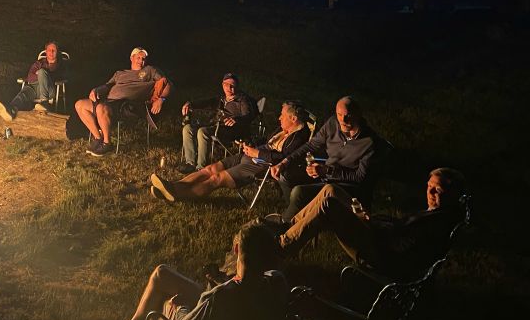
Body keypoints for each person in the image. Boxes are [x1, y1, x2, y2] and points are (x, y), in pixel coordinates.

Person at [89, 222, 286, 320]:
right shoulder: (275, 282)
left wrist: (178, 308)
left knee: (164, 300)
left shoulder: (221, 296)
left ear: (236, 250)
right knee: (161, 274)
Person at [279, 168, 467, 280]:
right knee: (331, 190)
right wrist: (376, 220)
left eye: (438, 190)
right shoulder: (438, 212)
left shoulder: (438, 221)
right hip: (379, 235)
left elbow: (401, 246)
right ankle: (285, 227)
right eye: (429, 186)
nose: (430, 192)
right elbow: (402, 228)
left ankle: (280, 247)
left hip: (380, 254)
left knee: (329, 206)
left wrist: (375, 226)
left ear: (452, 194)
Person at [151, 100, 310, 203]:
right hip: (250, 155)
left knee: (216, 179)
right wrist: (250, 145)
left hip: (262, 165)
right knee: (210, 169)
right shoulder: (282, 130)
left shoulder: (299, 138)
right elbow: (265, 142)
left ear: (294, 119)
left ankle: (177, 196)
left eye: (282, 116)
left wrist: (257, 154)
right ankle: (172, 186)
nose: (279, 119)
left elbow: (284, 158)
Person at [269, 96, 383, 222]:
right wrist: (284, 162)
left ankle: (285, 223)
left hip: (345, 187)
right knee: (286, 175)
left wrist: (327, 171)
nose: (343, 120)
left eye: (347, 115)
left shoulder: (369, 142)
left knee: (299, 192)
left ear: (358, 115)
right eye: (339, 114)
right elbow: (311, 145)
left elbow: (360, 177)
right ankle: (301, 217)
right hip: (325, 176)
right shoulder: (333, 124)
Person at [75, 47, 171, 158]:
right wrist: (96, 90)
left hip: (127, 104)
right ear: (131, 58)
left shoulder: (150, 70)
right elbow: (107, 86)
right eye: (138, 57)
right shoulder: (120, 73)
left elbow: (167, 84)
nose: (141, 61)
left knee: (101, 107)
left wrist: (161, 99)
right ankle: (98, 137)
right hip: (110, 101)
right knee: (80, 105)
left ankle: (107, 143)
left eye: (143, 58)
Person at [179, 72, 258, 173]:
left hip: (232, 130)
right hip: (216, 126)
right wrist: (190, 104)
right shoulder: (221, 99)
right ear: (222, 85)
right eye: (226, 85)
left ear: (237, 87)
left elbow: (248, 115)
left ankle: (201, 168)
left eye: (232, 86)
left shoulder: (242, 100)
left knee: (202, 132)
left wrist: (236, 119)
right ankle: (190, 163)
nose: (229, 88)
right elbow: (205, 102)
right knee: (187, 128)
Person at [0, 41, 67, 121]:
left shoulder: (61, 65)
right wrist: (39, 75)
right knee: (25, 92)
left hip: (50, 89)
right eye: (49, 50)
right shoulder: (39, 63)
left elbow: (62, 77)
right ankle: (11, 110)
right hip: (35, 88)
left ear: (57, 52)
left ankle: (44, 103)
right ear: (46, 51)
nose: (51, 52)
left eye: (54, 50)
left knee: (42, 72)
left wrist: (42, 74)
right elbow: (30, 77)